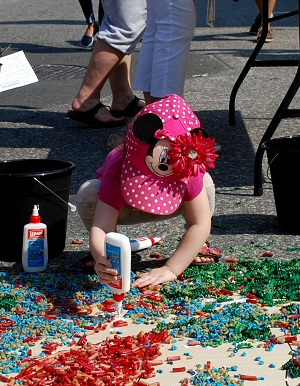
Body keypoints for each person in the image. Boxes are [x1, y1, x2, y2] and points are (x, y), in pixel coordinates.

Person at [75, 95, 219, 288]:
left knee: (205, 182)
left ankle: (196, 246)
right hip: (123, 209)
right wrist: (102, 256)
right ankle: (111, 251)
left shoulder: (189, 168)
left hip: (175, 203)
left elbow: (200, 224)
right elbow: (102, 226)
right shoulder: (119, 166)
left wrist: (171, 269)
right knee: (89, 192)